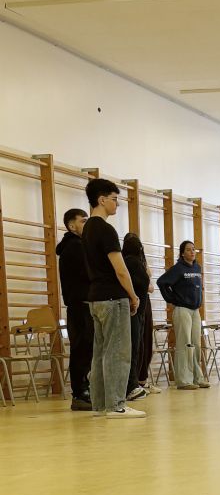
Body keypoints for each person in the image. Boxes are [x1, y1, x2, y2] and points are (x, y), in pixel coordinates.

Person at [81, 178, 144, 418]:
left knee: (100, 354)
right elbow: (120, 269)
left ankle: (100, 405)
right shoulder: (105, 229)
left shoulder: (87, 229)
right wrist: (133, 295)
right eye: (115, 199)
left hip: (95, 298)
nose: (117, 204)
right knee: (117, 352)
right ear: (101, 200)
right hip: (112, 298)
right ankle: (117, 404)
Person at [56, 208, 93, 411]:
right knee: (82, 349)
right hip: (81, 305)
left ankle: (83, 391)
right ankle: (80, 393)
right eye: (83, 221)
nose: (87, 225)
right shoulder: (76, 247)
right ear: (72, 225)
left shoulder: (76, 246)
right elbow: (89, 274)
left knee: (84, 349)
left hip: (80, 305)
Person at [157, 240, 207, 390]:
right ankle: (184, 380)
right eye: (189, 250)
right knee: (185, 343)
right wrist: (172, 299)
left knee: (196, 344)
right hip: (182, 309)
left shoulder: (197, 267)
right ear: (182, 253)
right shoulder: (178, 268)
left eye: (194, 249)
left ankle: (197, 377)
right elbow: (162, 282)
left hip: (195, 311)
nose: (192, 252)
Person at [123, 233, 151, 401]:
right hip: (134, 311)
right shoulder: (134, 263)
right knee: (133, 348)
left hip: (134, 311)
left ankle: (132, 384)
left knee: (134, 347)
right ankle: (131, 385)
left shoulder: (125, 261)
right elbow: (145, 284)